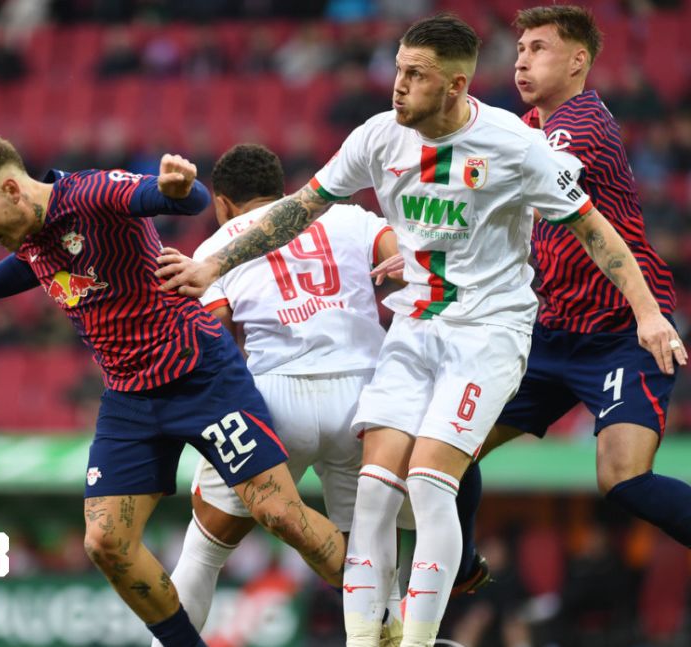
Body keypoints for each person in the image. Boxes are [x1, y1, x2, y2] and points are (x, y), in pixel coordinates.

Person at [155, 14, 683, 647]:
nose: (397, 84)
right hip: (439, 329)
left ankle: (420, 634)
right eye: (398, 69)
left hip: (513, 332)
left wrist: (648, 314)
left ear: (456, 85)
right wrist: (213, 265)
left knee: (445, 482)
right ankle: (384, 627)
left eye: (415, 74)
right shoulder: (380, 136)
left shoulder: (524, 140)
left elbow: (593, 228)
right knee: (378, 492)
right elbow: (300, 208)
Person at [0, 134, 347, 647]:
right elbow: (29, 265)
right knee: (106, 541)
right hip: (130, 395)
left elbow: (179, 198)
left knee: (280, 514)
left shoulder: (92, 194)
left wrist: (180, 188)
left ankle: (384, 614)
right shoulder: (29, 235)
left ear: (12, 190)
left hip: (199, 374)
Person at [452, 5, 691, 569]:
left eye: (539, 49)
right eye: (520, 50)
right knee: (451, 449)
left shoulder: (578, 124)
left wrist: (439, 232)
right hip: (554, 331)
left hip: (623, 331)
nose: (522, 62)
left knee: (623, 479)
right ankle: (459, 568)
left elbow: (510, 188)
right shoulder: (531, 126)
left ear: (578, 61)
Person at [151, 143, 405, 647]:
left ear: (222, 202)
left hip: (274, 397)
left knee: (205, 549)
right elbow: (403, 257)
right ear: (282, 188)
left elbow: (217, 338)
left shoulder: (216, 246)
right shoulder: (348, 217)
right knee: (369, 544)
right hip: (365, 394)